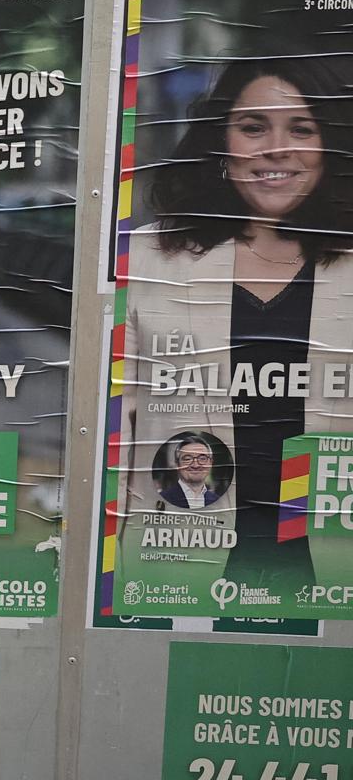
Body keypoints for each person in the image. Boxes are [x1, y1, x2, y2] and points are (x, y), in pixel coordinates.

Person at [123, 55, 353, 590]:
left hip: (328, 574)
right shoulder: (146, 259)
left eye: (303, 129)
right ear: (221, 141)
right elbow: (111, 427)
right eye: (253, 128)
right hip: (178, 569)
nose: (277, 148)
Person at [156, 434, 225, 510]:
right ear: (177, 464)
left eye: (202, 458)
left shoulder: (220, 504)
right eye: (187, 459)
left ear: (210, 463)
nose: (195, 465)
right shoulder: (162, 500)